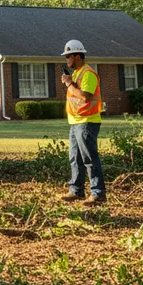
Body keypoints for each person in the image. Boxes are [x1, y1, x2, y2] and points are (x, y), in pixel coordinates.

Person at [60, 39, 106, 206]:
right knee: (75, 158)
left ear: (77, 56)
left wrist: (68, 83)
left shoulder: (88, 74)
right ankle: (76, 191)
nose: (67, 60)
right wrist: (70, 81)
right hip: (76, 122)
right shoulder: (77, 73)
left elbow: (85, 96)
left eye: (68, 56)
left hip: (87, 122)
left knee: (89, 158)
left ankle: (98, 193)